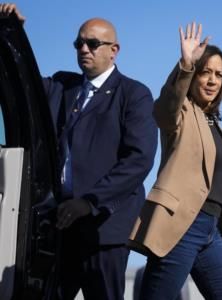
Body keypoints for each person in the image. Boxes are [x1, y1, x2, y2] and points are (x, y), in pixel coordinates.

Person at [0, 3, 158, 300]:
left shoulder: (133, 94)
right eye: (79, 43)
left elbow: (139, 160)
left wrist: (90, 202)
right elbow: (17, 81)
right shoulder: (62, 85)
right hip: (60, 227)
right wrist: (12, 32)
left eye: (93, 43)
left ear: (114, 50)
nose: (84, 49)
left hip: (104, 230)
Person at [127, 22, 222, 300]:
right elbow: (165, 108)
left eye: (219, 75)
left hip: (211, 230)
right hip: (181, 225)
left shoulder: (213, 121)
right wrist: (186, 64)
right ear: (194, 77)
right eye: (206, 73)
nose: (213, 80)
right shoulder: (181, 113)